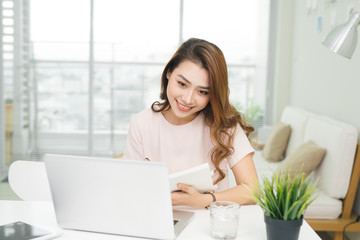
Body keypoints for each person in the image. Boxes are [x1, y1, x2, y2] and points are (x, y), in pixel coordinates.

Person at [123, 38, 258, 208]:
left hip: (208, 226)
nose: (187, 99)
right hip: (155, 219)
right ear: (168, 73)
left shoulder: (224, 125)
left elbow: (253, 190)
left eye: (202, 91)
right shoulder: (142, 123)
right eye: (182, 84)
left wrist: (205, 200)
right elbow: (129, 186)